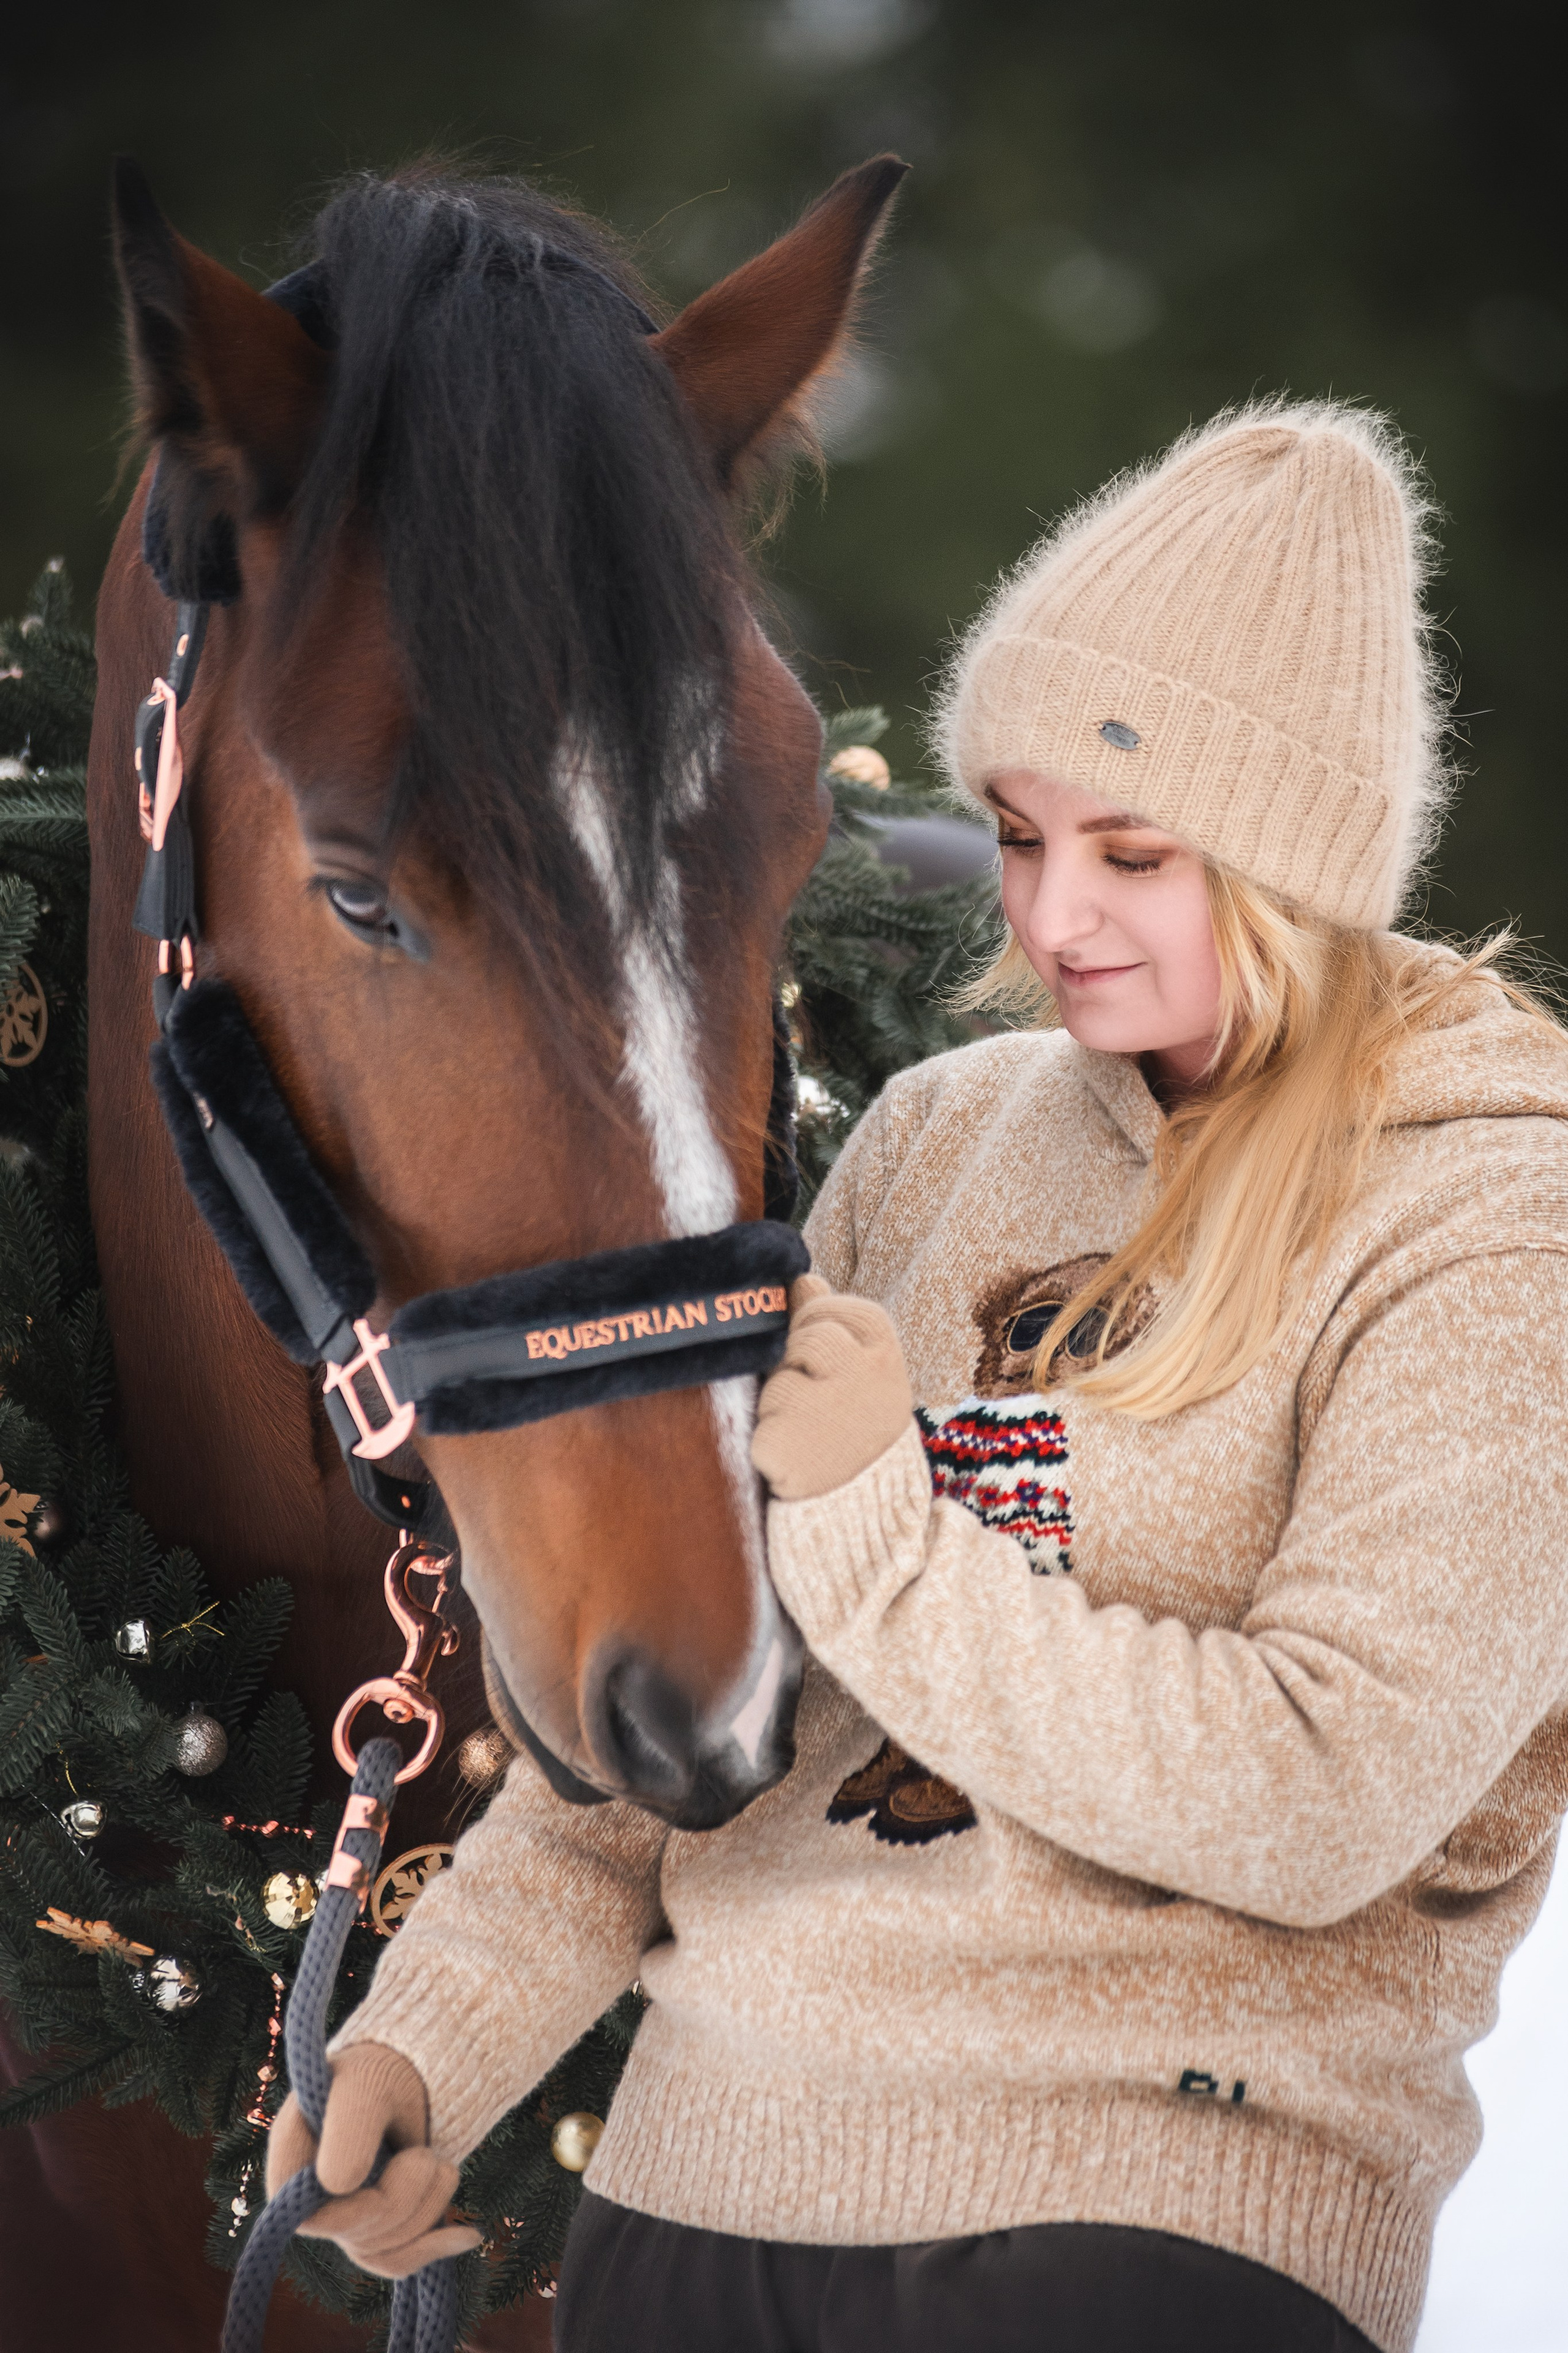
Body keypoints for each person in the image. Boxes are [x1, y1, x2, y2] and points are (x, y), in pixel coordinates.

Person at [266, 401, 1568, 2352]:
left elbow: (1321, 1795)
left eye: (1134, 852)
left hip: (1152, 2232)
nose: (1050, 914)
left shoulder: (1489, 1215)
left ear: (1294, 864)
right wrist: (426, 2043)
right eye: (1024, 837)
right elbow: (680, 1727)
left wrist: (878, 1518)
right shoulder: (942, 1135)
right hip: (688, 2222)